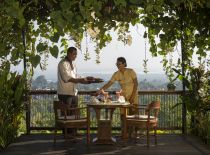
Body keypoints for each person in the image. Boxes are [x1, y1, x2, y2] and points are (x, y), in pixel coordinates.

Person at [57, 46, 90, 136]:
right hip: (65, 93)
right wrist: (80, 80)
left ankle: (74, 132)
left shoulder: (73, 64)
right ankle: (67, 134)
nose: (75, 56)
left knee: (74, 113)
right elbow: (66, 78)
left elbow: (75, 76)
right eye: (74, 54)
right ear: (68, 53)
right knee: (66, 115)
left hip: (74, 92)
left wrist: (85, 80)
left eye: (76, 54)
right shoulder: (63, 63)